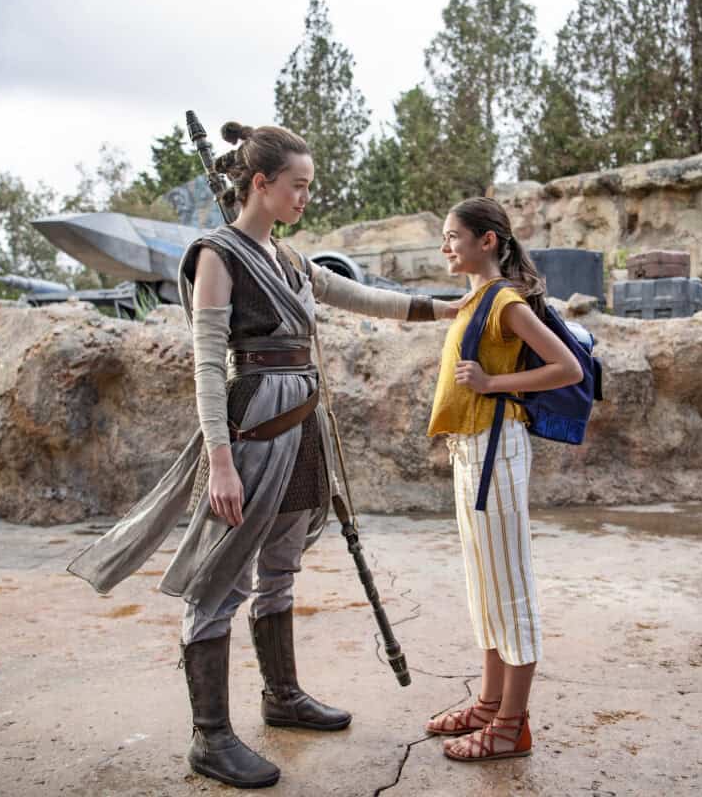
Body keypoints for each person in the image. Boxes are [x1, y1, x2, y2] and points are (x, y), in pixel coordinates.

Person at [69, 121, 461, 789]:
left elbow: (368, 299)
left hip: (301, 427)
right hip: (250, 430)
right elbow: (206, 365)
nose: (305, 197)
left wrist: (455, 307)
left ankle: (282, 696)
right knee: (221, 578)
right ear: (260, 183)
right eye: (297, 186)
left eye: (308, 186)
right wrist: (219, 462)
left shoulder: (290, 260)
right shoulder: (217, 256)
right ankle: (210, 739)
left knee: (280, 566)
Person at [424, 197, 582, 762]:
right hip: (471, 453)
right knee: (484, 585)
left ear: (487, 241)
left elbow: (568, 367)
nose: (445, 246)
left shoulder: (505, 302)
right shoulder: (474, 300)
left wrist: (493, 383)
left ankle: (513, 724)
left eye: (453, 236)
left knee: (510, 587)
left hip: (497, 452)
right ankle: (490, 703)